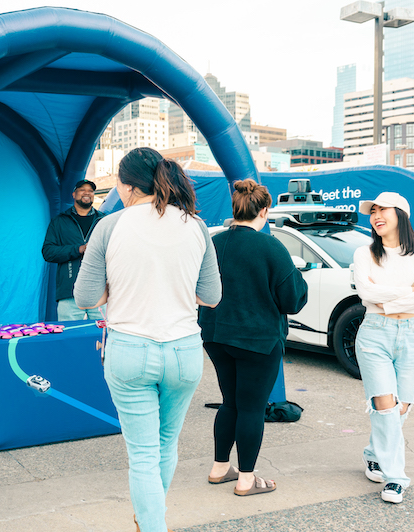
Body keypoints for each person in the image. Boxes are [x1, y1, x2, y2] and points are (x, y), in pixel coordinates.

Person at [74, 147, 221, 532]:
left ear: (126, 186)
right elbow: (211, 296)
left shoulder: (109, 226)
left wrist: (115, 289)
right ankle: (149, 520)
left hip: (130, 350)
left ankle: (151, 523)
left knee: (142, 455)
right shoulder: (196, 225)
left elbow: (85, 298)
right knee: (166, 444)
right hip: (185, 351)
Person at [197, 179, 307, 498]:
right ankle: (246, 479)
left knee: (230, 402)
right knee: (252, 408)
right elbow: (293, 300)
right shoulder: (271, 247)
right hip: (259, 340)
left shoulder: (214, 243)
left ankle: (220, 467)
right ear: (264, 211)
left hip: (216, 336)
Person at [352, 191, 414, 504]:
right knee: (384, 405)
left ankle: (373, 453)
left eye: (382, 210)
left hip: (413, 334)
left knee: (400, 406)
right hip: (375, 334)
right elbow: (366, 293)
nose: (376, 216)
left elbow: (378, 295)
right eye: (373, 211)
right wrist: (409, 292)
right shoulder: (364, 253)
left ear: (401, 214)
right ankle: (396, 479)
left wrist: (386, 298)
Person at [42, 178, 106, 321]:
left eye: (91, 191)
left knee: (103, 332)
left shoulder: (104, 220)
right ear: (74, 194)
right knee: (69, 332)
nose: (87, 193)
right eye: (82, 190)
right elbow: (48, 252)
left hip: (99, 291)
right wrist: (79, 249)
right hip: (69, 292)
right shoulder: (59, 221)